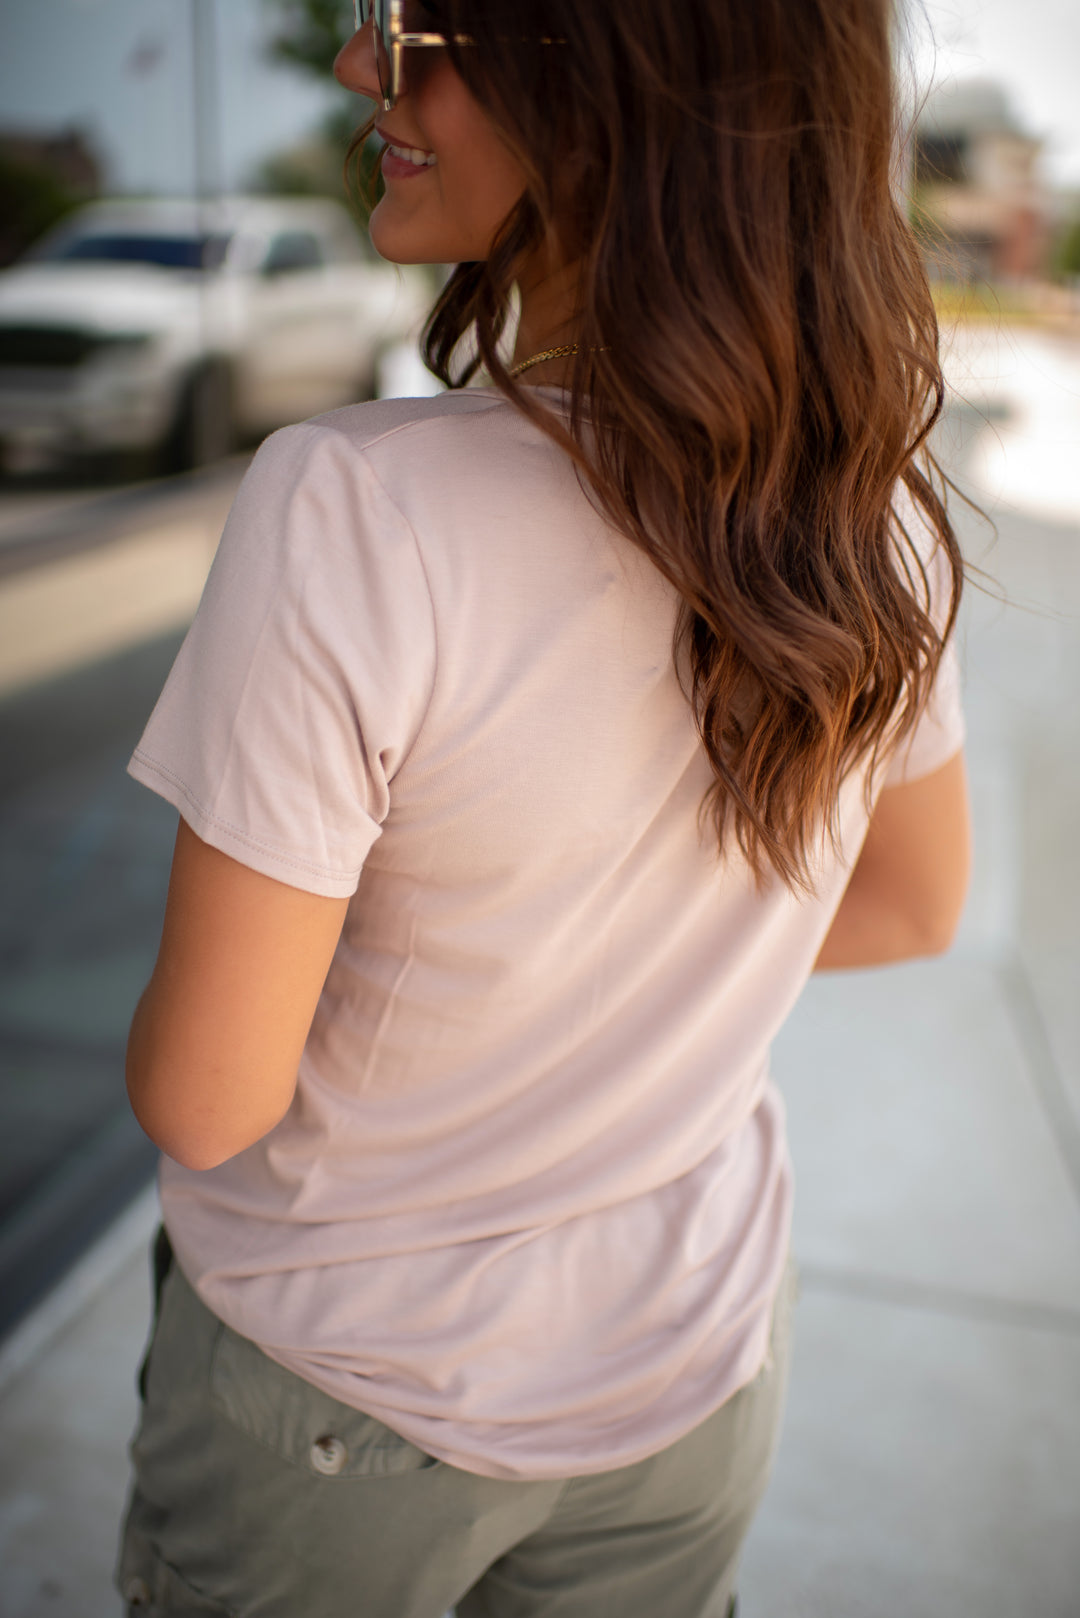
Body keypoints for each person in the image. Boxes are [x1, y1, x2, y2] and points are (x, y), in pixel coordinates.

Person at [115, 1, 971, 1613]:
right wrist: (606, 1017)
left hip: (345, 1400)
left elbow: (205, 1095)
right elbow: (910, 904)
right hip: (690, 1381)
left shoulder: (353, 506)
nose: (368, 69)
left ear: (620, 90)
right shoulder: (876, 519)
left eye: (424, 30)